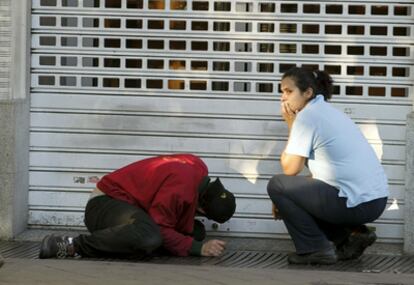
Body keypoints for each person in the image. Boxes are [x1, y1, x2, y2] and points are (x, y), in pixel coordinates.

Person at [267, 67, 389, 265]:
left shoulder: (308, 117)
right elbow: (324, 177)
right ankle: (350, 238)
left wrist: (292, 124)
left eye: (289, 91)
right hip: (375, 201)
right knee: (289, 189)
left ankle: (316, 249)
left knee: (277, 185)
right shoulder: (326, 111)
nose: (283, 98)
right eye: (281, 91)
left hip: (358, 203)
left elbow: (290, 169)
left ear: (308, 93)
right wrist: (289, 194)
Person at [39, 153, 236, 259]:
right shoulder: (181, 190)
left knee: (196, 233)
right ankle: (70, 246)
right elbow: (160, 226)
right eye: (202, 215)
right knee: (150, 236)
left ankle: (135, 247)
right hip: (104, 204)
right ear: (201, 208)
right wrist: (197, 249)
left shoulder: (197, 168)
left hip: (135, 209)